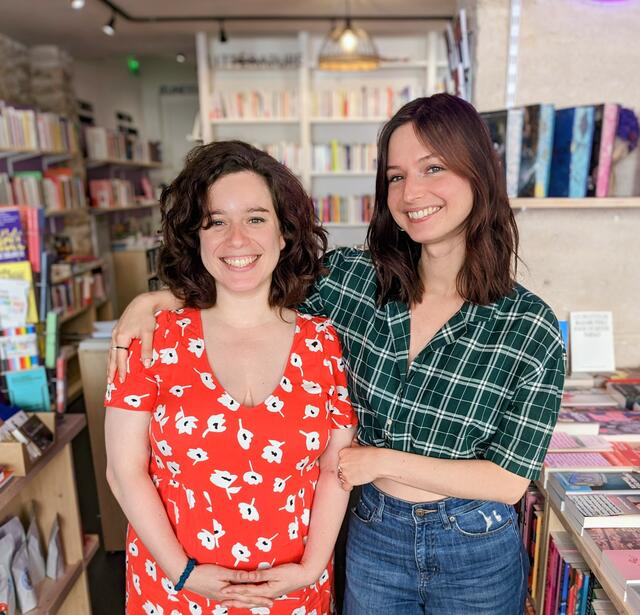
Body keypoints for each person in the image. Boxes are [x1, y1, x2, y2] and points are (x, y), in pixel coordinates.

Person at [109, 93, 565, 615]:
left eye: (432, 167)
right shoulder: (350, 280)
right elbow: (247, 276)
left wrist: (378, 460)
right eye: (395, 176)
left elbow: (509, 481)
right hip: (372, 533)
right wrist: (153, 300)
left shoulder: (529, 324)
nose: (411, 191)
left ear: (478, 173)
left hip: (475, 544)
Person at [104, 140, 356, 614]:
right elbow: (123, 471)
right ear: (194, 237)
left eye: (256, 218)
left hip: (291, 589)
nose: (236, 239)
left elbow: (334, 468)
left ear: (284, 234)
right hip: (174, 588)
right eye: (215, 221)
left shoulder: (321, 341)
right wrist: (183, 571)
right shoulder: (151, 338)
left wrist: (312, 567)